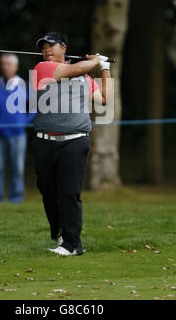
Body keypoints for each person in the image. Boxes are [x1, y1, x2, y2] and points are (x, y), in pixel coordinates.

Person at [31, 32, 111, 256]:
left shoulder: (84, 77)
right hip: (45, 141)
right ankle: (58, 231)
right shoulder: (42, 68)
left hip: (75, 142)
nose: (47, 50)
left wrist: (104, 68)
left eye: (51, 46)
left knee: (69, 193)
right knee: (47, 189)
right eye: (43, 47)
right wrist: (95, 61)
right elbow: (74, 69)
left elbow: (104, 99)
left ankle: (72, 244)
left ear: (63, 48)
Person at [0, 54, 35, 203]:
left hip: (18, 135)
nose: (5, 67)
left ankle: (16, 200)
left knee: (17, 169)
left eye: (9, 64)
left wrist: (25, 121)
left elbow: (34, 107)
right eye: (3, 64)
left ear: (16, 67)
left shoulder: (25, 85)